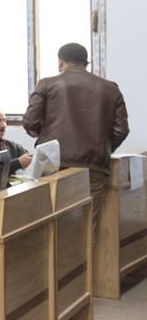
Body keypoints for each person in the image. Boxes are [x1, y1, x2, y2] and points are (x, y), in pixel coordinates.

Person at [23, 42, 129, 232]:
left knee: (54, 227)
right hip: (94, 167)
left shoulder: (47, 84)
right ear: (86, 62)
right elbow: (121, 130)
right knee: (87, 227)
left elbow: (30, 122)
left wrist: (49, 143)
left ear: (60, 62)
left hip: (54, 165)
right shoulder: (110, 88)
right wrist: (101, 148)